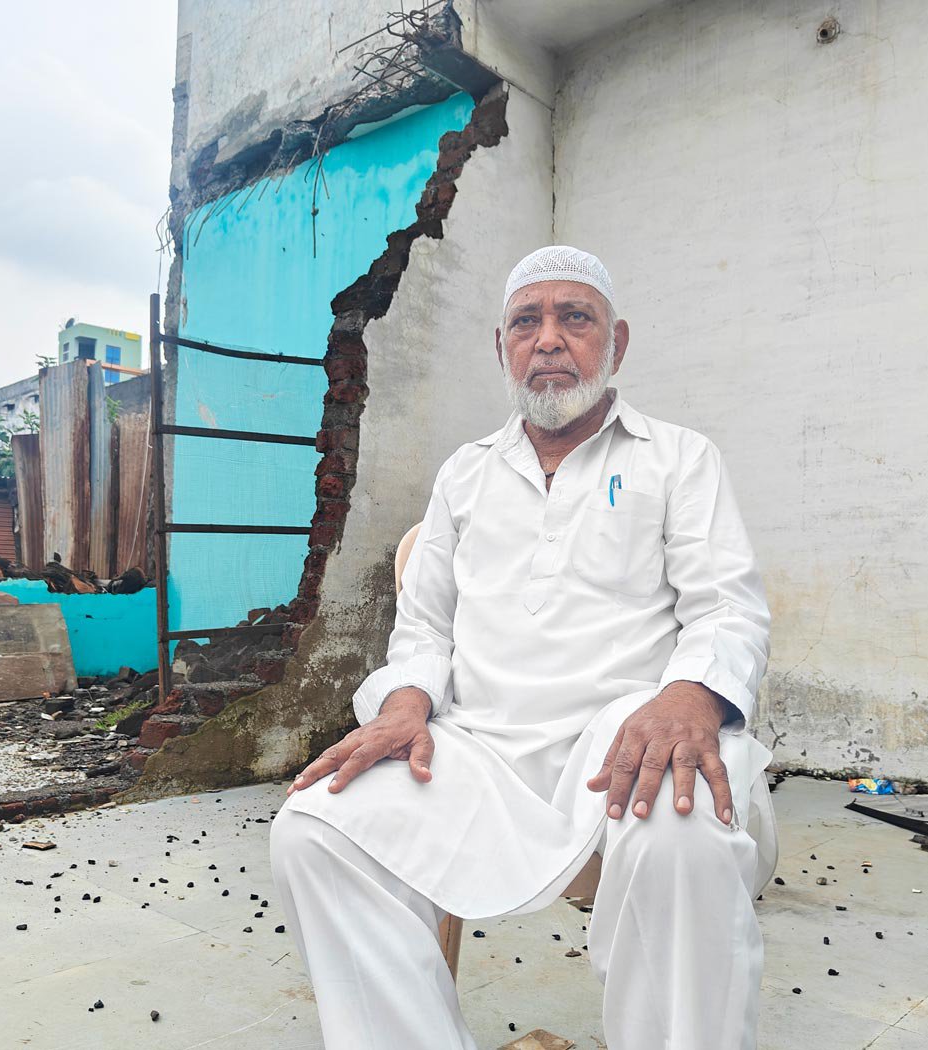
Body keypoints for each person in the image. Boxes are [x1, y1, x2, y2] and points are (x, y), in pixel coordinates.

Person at [272, 245, 776, 1050]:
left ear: (617, 344)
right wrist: (406, 704)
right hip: (477, 750)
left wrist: (686, 701)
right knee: (315, 828)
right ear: (500, 346)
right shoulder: (464, 475)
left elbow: (727, 608)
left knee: (681, 832)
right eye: (526, 322)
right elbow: (424, 626)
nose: (548, 339)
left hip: (624, 742)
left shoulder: (681, 459)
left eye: (575, 317)